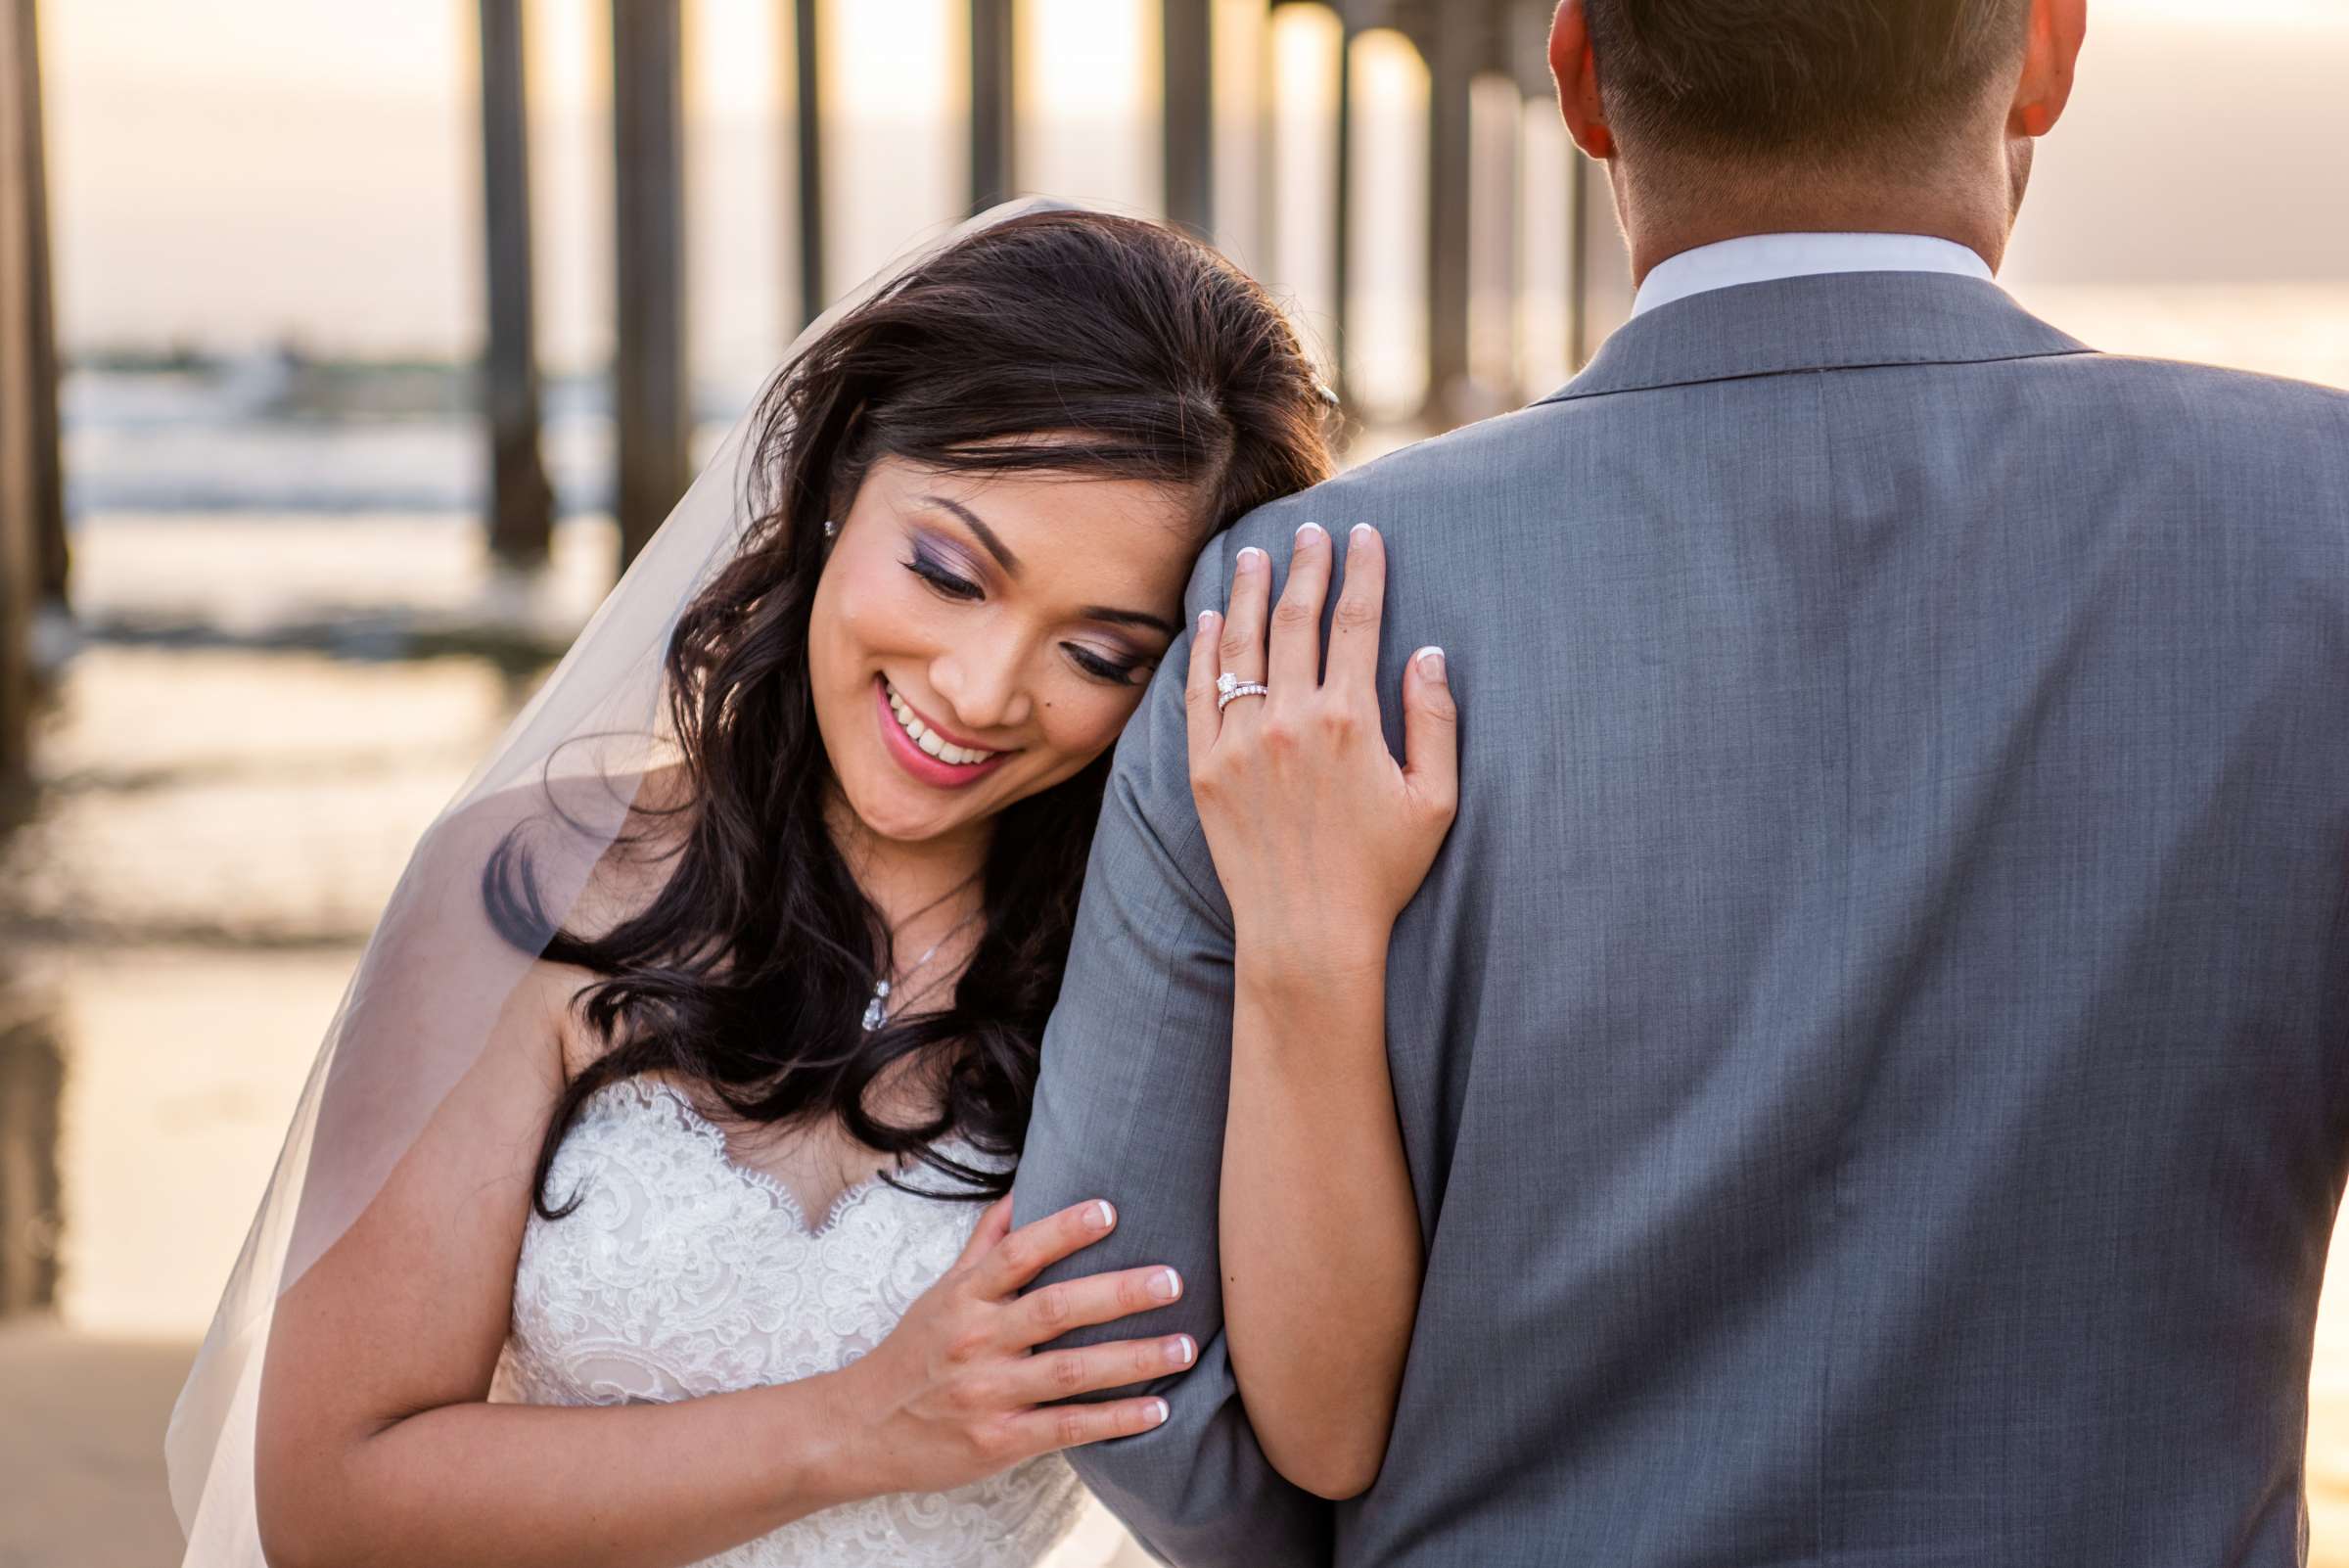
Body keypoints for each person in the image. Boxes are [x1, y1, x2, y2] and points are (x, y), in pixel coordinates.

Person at [1012, 0, 2349, 1562]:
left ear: (1577, 77)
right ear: (2050, 49)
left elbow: (1117, 1345)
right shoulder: (2313, 531)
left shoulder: (1298, 613)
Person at [163, 203, 1443, 1568]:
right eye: (949, 570)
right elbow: (332, 1496)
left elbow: (1331, 1441)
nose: (981, 689)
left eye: (1104, 653)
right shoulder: (533, 884)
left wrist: (1321, 938)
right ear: (841, 475)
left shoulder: (1165, 964)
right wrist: (860, 1421)